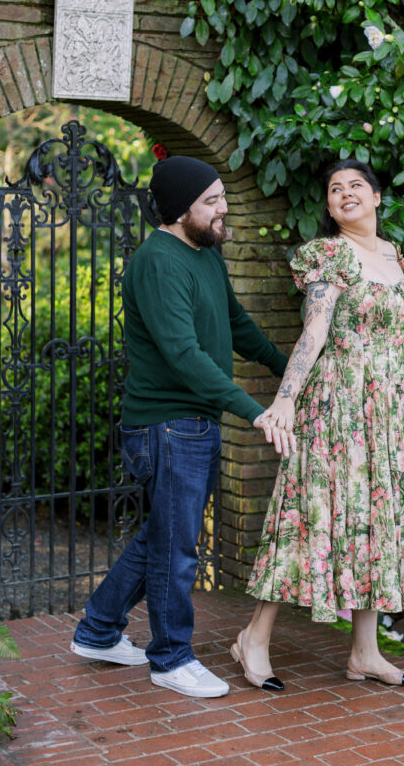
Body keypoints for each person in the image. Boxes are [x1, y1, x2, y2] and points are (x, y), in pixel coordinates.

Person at [71, 155, 292, 698]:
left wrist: (290, 369)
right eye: (211, 201)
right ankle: (171, 658)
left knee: (164, 536)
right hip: (167, 425)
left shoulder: (205, 254)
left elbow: (236, 323)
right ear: (179, 211)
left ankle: (98, 630)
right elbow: (183, 355)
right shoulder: (157, 260)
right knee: (177, 548)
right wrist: (255, 410)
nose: (223, 208)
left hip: (192, 425)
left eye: (222, 196)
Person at [231, 159, 404, 691]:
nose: (345, 193)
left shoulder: (393, 254)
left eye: (357, 185)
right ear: (330, 206)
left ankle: (365, 653)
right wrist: (286, 398)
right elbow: (315, 330)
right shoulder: (329, 255)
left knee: (374, 522)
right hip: (337, 405)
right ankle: (252, 639)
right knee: (307, 517)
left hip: (391, 410)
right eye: (336, 189)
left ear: (377, 197)